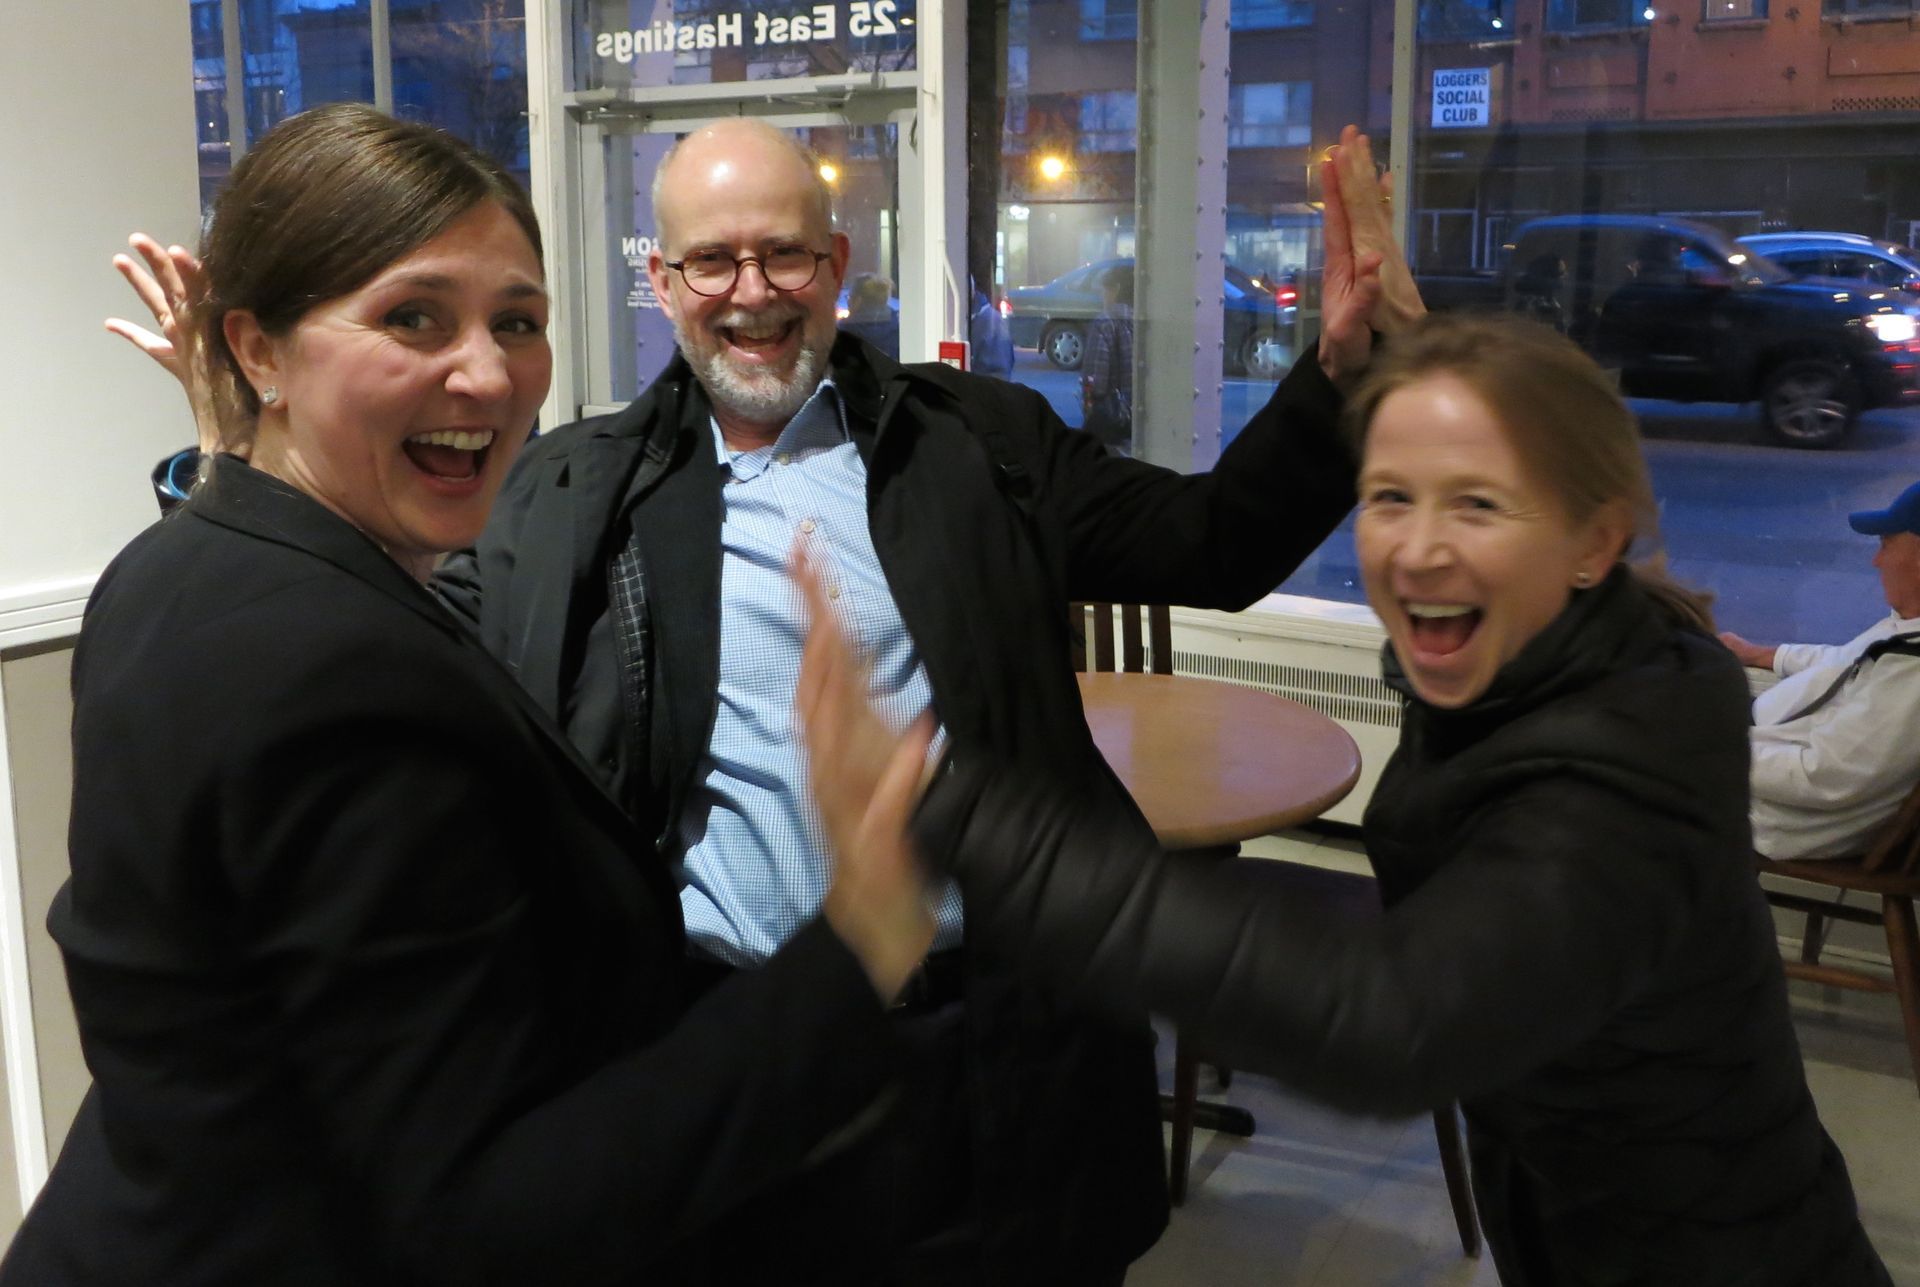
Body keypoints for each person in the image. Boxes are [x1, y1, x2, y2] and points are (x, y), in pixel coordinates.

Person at [115, 118, 1406, 1281]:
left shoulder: (978, 440)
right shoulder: (569, 489)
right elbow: (384, 618)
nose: (752, 293)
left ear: (837, 266)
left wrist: (1342, 374)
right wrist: (242, 461)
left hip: (1018, 1042)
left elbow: (1214, 544)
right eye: (712, 261)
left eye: (784, 255)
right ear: (663, 283)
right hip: (739, 1060)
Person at [18, 103, 938, 1286]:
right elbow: (487, 1221)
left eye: (519, 320)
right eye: (414, 317)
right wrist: (863, 941)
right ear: (256, 349)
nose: (489, 373)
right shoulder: (331, 677)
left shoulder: (178, 564)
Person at [803, 314, 1892, 1286]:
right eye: (1389, 494)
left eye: (1478, 501)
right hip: (1582, 1227)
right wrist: (1398, 364)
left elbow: (1389, 1020)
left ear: (1593, 542)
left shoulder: (1623, 763)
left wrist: (948, 812)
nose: (1417, 547)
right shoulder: (1541, 667)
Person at [1722, 480, 1920, 861]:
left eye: (1886, 544)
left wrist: (1707, 748)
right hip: (1767, 746)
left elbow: (1821, 776)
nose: (1876, 561)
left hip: (1774, 818)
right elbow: (1845, 661)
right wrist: (1762, 654)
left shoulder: (1912, 673)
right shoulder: (1906, 629)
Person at [1079, 264, 1134, 449]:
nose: (1102, 296)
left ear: (1115, 289)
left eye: (1104, 290)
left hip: (1113, 421)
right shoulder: (1144, 322)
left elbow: (1095, 381)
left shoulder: (1105, 322)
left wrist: (1088, 406)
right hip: (1138, 421)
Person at [840, 271, 900, 359]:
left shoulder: (844, 332)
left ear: (858, 301)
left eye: (849, 297)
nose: (848, 301)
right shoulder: (897, 330)